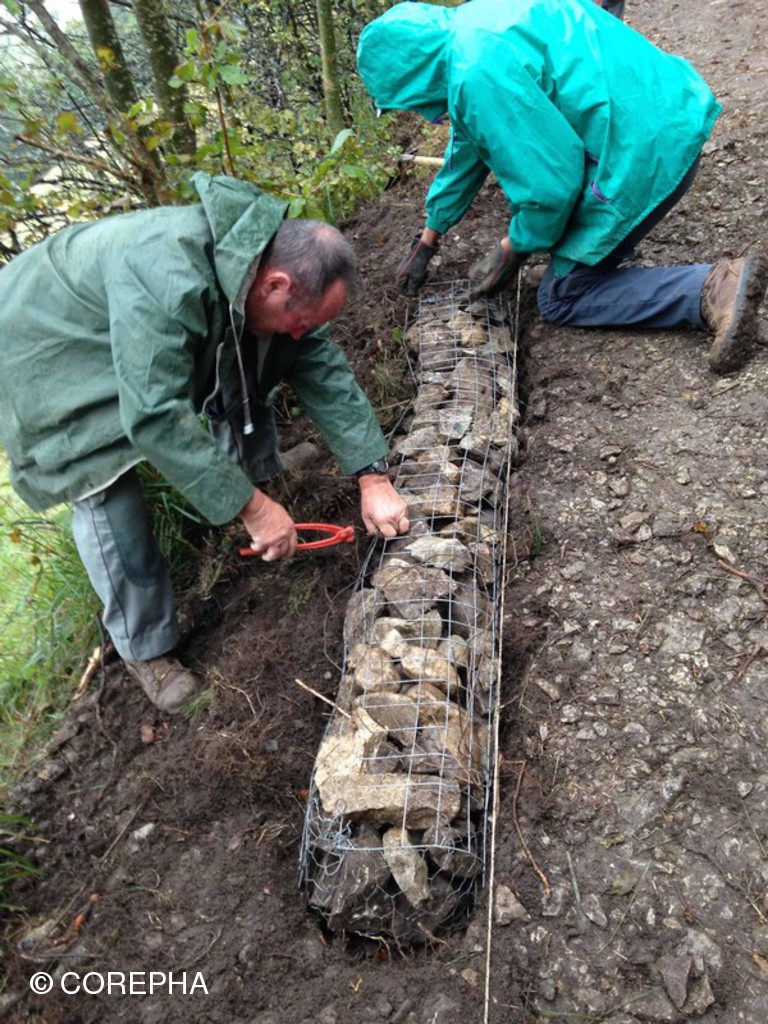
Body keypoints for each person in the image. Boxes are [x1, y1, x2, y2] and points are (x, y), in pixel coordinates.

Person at [0, 173, 410, 714]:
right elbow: (154, 415)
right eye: (300, 320)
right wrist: (255, 509)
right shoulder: (169, 278)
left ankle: (245, 480)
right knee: (101, 475)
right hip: (41, 341)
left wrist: (372, 476)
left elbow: (318, 365)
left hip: (120, 313)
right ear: (276, 284)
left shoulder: (264, 270)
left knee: (262, 345)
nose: (301, 331)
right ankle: (146, 648)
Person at [357, 0, 767, 374]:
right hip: (671, 107)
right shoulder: (473, 26)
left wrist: (513, 248)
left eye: (406, 102)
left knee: (561, 296)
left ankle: (712, 288)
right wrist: (430, 235)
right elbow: (468, 142)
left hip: (646, 156)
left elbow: (550, 189)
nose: (416, 111)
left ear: (411, 79)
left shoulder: (475, 73)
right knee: (558, 238)